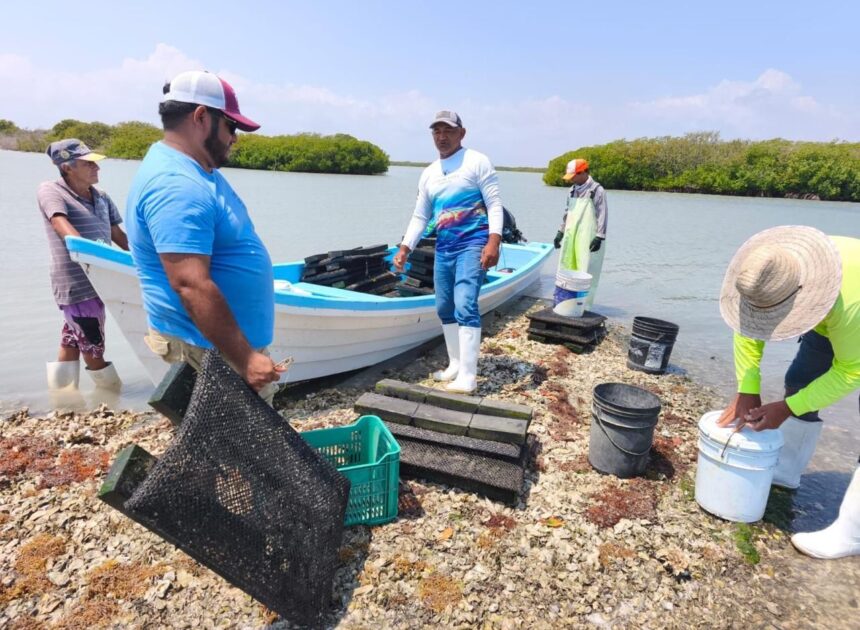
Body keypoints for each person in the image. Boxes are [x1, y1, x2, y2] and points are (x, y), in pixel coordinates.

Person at [126, 70, 283, 404]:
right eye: (231, 126)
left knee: (230, 450)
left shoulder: (197, 169)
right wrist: (246, 359)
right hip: (209, 351)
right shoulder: (176, 184)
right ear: (201, 117)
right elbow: (190, 284)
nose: (235, 137)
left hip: (215, 347)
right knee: (247, 450)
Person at [716, 226, 859, 559]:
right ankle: (787, 472)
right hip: (831, 317)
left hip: (854, 315)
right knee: (800, 379)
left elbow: (853, 370)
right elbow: (748, 325)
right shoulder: (773, 272)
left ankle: (852, 531)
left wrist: (789, 408)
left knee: (802, 396)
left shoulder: (849, 302)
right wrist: (747, 387)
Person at [393, 110, 503, 394]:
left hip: (474, 243)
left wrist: (494, 242)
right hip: (445, 247)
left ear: (461, 133)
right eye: (436, 132)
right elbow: (420, 216)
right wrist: (405, 247)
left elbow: (494, 205)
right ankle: (455, 364)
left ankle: (468, 376)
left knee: (465, 303)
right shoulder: (429, 173)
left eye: (448, 131)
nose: (442, 137)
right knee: (444, 306)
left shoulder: (477, 161)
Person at [38, 139, 128, 392]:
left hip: (102, 280)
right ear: (67, 167)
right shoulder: (51, 190)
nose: (96, 168)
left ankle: (63, 398)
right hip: (77, 283)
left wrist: (148, 260)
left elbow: (118, 235)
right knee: (93, 344)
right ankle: (113, 394)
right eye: (88, 164)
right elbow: (58, 222)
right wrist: (86, 252)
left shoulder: (102, 197)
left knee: (73, 339)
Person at [553, 158, 608, 310]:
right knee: (566, 266)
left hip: (588, 237)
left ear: (583, 172)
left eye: (574, 176)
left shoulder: (597, 190)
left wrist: (599, 237)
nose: (572, 180)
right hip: (571, 236)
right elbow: (567, 213)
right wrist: (560, 232)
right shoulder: (572, 190)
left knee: (586, 271)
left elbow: (603, 215)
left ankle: (584, 307)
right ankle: (564, 303)